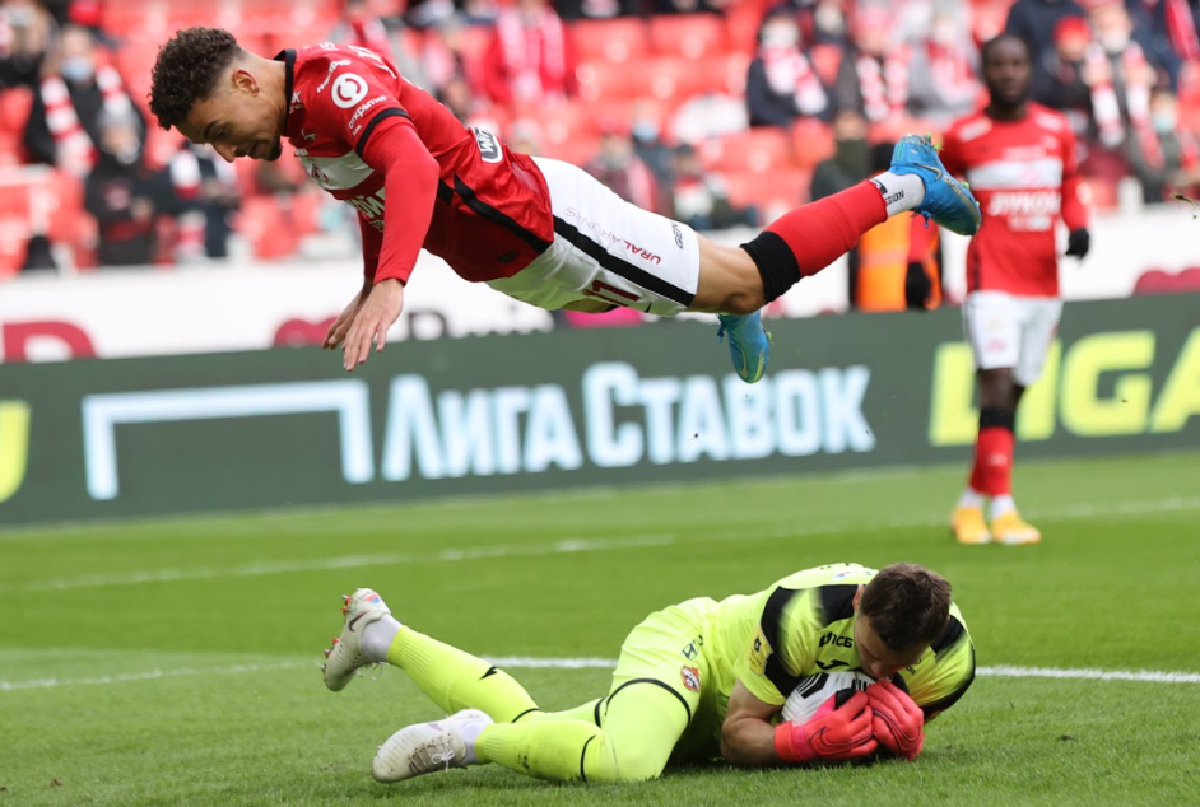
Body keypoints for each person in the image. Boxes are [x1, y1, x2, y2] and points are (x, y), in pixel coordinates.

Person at [146, 27, 981, 384]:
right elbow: (375, 199)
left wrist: (396, 282)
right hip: (521, 263)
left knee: (749, 280)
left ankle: (903, 179)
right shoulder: (302, 123)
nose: (226, 152)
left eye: (219, 129)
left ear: (247, 81)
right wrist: (372, 280)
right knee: (701, 287)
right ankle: (722, 305)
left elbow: (407, 168)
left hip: (547, 223)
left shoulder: (335, 88)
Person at [321, 562, 975, 784]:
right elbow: (738, 736)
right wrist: (798, 744)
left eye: (899, 663)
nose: (882, 670)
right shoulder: (803, 610)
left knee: (539, 729)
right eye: (870, 652)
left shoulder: (948, 663)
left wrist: (903, 742)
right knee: (626, 762)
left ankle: (380, 632)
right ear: (858, 603)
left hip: (732, 702)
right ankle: (469, 738)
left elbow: (883, 728)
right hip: (690, 650)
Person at [938, 34, 1090, 546]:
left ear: (1029, 69)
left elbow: (1069, 184)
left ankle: (968, 505)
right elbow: (929, 195)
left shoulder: (1056, 128)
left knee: (1014, 397)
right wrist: (921, 261)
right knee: (996, 388)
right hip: (992, 282)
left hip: (1043, 283)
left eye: (1016, 64)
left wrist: (1079, 224)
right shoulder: (964, 135)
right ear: (984, 72)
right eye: (998, 65)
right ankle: (1003, 511)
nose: (1008, 73)